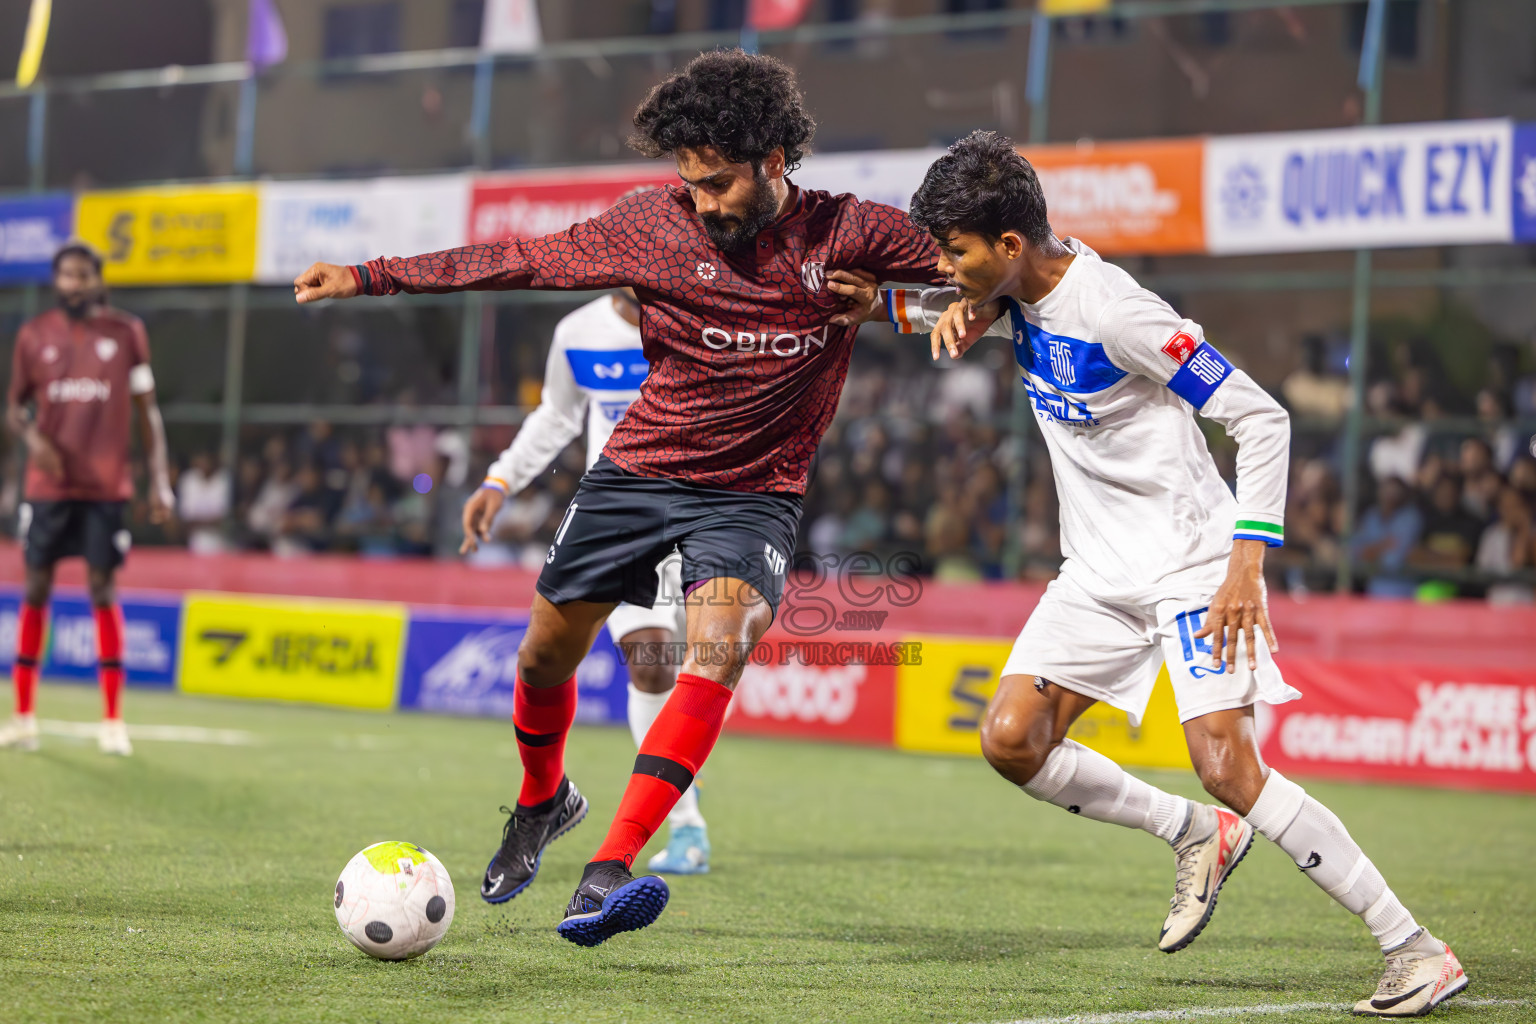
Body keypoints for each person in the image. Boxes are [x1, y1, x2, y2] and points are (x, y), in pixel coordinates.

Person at [293, 49, 932, 946]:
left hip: (753, 492)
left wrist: (894, 309)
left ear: (777, 161)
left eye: (718, 183)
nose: (704, 202)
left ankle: (608, 869)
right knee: (542, 661)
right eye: (691, 183)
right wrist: (369, 276)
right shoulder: (651, 226)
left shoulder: (850, 233)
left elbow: (985, 275)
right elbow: (515, 259)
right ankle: (541, 802)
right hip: (638, 470)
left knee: (715, 651)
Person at [881, 132, 1466, 1019]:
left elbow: (1261, 420)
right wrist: (937, 308)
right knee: (1010, 739)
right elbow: (965, 306)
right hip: (1097, 576)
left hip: (1195, 565)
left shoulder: (1120, 313)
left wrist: (1244, 564)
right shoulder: (1019, 290)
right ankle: (1194, 833)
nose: (943, 268)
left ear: (1007, 246)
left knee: (1228, 764)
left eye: (954, 252)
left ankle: (1415, 948)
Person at [461, 285, 725, 880]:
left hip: (717, 505)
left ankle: (668, 810)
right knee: (653, 660)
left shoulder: (708, 316)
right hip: (627, 513)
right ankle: (686, 825)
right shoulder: (579, 333)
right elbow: (556, 416)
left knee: (704, 667)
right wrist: (501, 480)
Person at [0, 242, 174, 756]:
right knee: (35, 588)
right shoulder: (34, 336)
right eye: (64, 276)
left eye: (81, 275)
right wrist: (33, 441)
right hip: (48, 487)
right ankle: (23, 715)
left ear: (97, 280)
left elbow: (149, 410)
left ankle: (113, 721)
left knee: (102, 590)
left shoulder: (126, 333)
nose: (72, 284)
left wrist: (159, 478)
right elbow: (13, 409)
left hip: (105, 487)